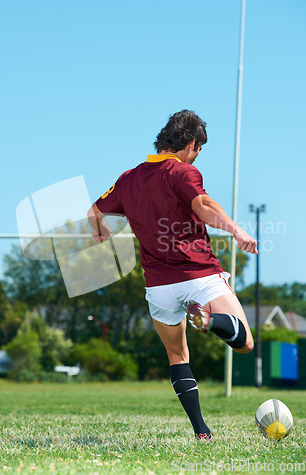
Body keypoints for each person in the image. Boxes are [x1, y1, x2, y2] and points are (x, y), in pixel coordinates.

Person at [87, 109, 257, 442]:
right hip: (198, 274)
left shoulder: (128, 178)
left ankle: (201, 431)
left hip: (159, 287)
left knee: (178, 357)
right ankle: (209, 322)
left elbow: (94, 212)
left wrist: (101, 228)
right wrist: (236, 230)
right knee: (245, 343)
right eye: (198, 150)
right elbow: (203, 206)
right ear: (191, 144)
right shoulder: (182, 172)